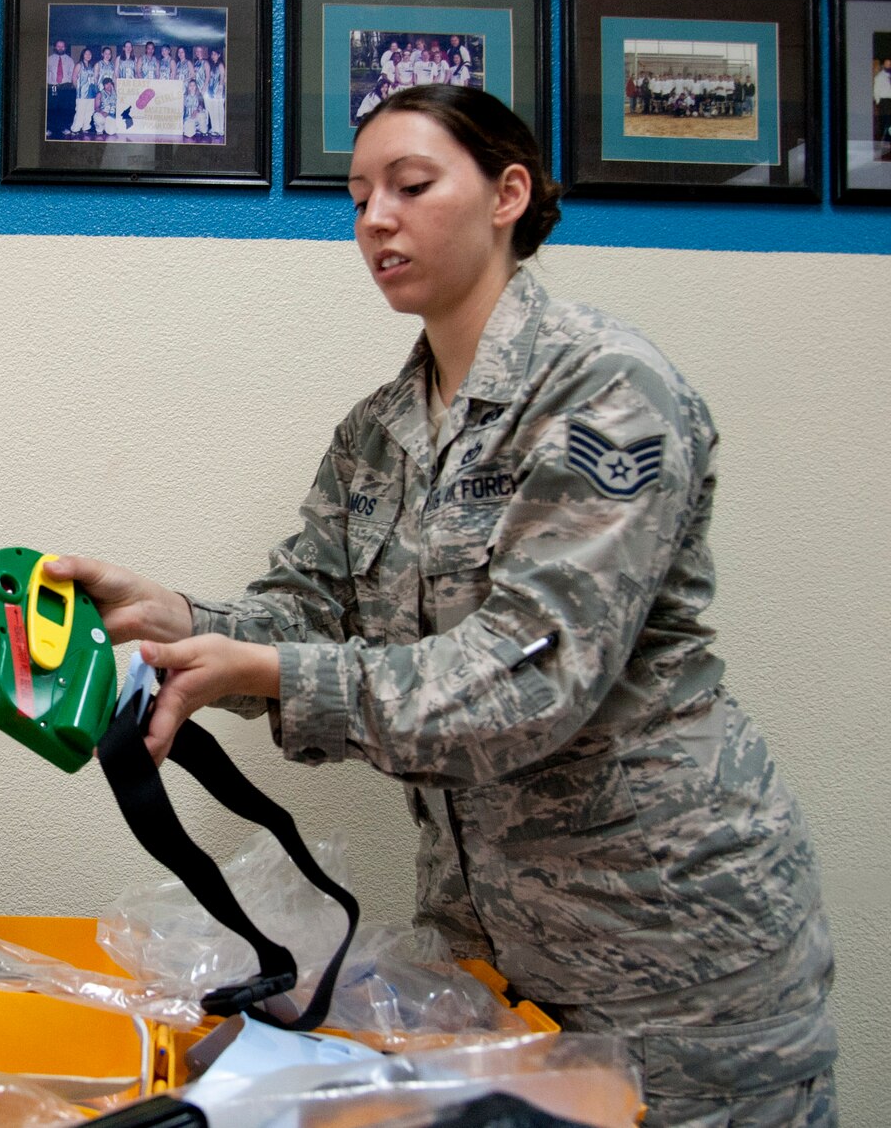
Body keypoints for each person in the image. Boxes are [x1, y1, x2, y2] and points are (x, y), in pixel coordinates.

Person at [51, 84, 835, 1127]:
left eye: (410, 185)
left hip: (667, 951)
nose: (374, 217)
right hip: (489, 943)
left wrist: (271, 673)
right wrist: (182, 621)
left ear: (507, 193)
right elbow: (305, 605)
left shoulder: (604, 391)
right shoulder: (376, 431)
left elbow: (530, 674)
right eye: (357, 196)